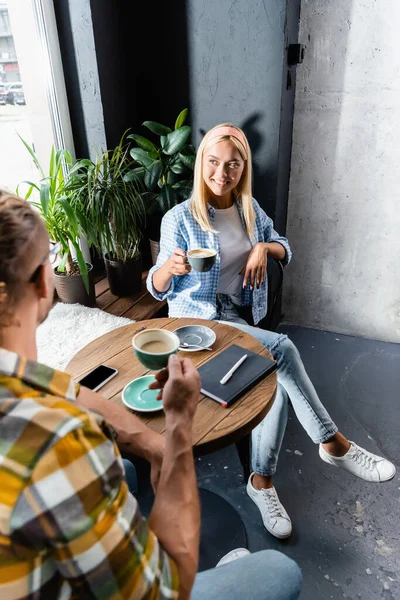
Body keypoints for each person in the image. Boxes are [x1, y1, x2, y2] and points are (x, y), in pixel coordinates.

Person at [0, 190, 302, 600]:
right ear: (41, 283)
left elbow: (56, 386)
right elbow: (162, 590)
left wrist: (148, 443)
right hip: (154, 587)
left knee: (124, 472)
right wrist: (177, 428)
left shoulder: (28, 392)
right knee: (278, 571)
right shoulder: (61, 443)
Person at [147, 123, 396, 540]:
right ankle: (333, 443)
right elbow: (154, 285)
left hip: (233, 320)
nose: (221, 173)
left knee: (274, 390)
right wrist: (168, 270)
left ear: (243, 168)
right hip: (193, 326)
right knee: (279, 348)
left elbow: (287, 247)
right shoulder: (179, 218)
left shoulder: (249, 211)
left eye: (232, 164)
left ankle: (260, 483)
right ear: (201, 164)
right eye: (213, 162)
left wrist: (264, 247)